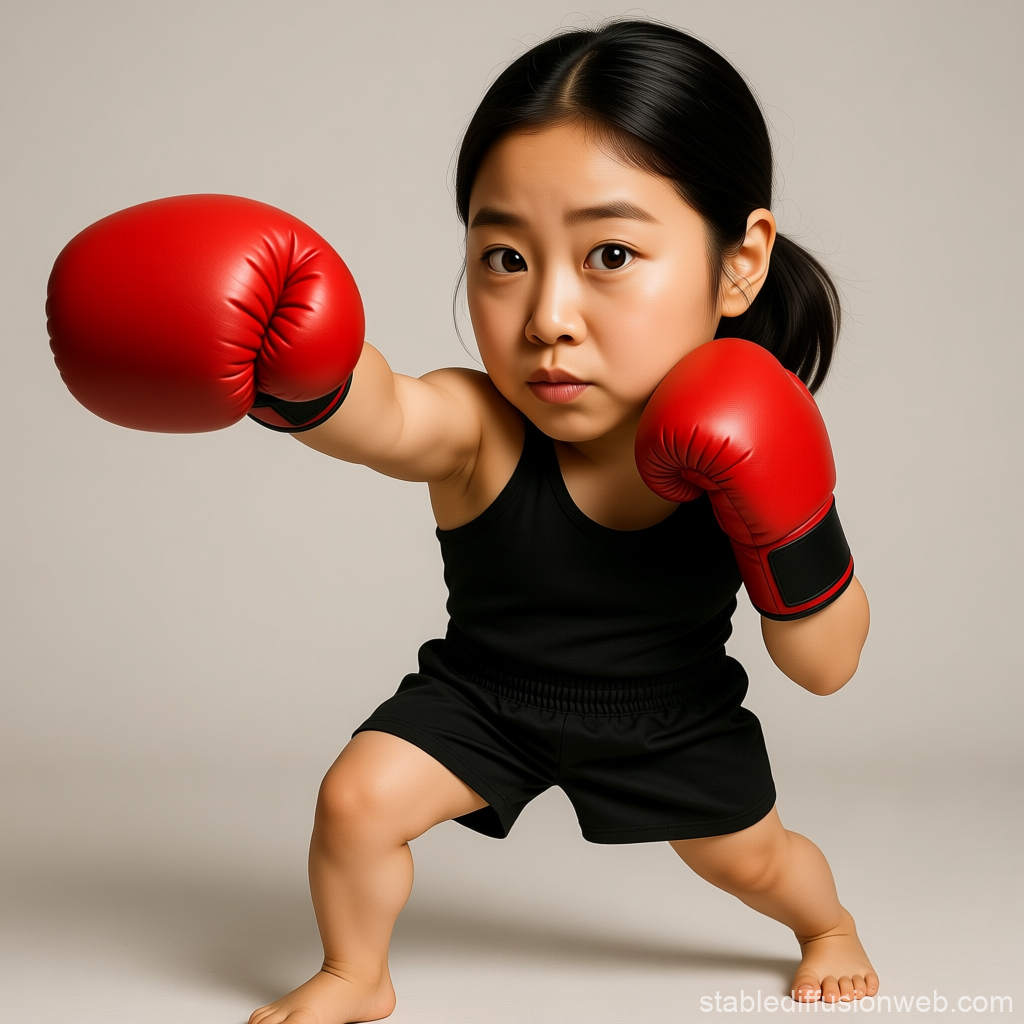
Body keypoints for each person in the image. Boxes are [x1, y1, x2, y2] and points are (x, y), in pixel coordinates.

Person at [46, 19, 878, 1024]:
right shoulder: (481, 424)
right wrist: (290, 366)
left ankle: (827, 926)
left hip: (673, 716)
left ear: (739, 262)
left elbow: (826, 664)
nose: (546, 318)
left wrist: (784, 513)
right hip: (485, 697)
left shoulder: (749, 440)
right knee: (356, 800)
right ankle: (356, 973)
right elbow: (385, 413)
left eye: (610, 252)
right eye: (502, 257)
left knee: (754, 859)